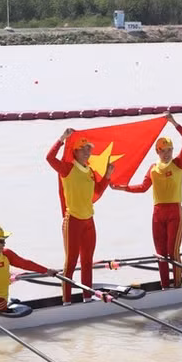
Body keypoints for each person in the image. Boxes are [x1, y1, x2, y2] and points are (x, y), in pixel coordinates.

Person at [111, 113, 182, 289]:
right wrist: (122, 187)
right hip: (157, 214)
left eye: (169, 150)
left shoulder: (178, 163)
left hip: (174, 212)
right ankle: (164, 287)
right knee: (161, 254)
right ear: (157, 151)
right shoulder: (153, 168)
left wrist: (174, 123)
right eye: (163, 150)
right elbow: (142, 187)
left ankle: (177, 285)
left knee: (172, 252)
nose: (166, 153)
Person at [46, 128, 114, 305]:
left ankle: (87, 298)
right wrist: (62, 139)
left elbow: (97, 191)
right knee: (70, 263)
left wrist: (107, 175)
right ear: (75, 151)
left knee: (87, 262)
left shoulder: (90, 171)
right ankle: (67, 302)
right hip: (73, 221)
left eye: (89, 149)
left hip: (89, 222)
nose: (87, 152)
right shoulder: (67, 169)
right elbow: (49, 158)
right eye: (83, 149)